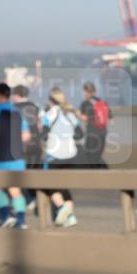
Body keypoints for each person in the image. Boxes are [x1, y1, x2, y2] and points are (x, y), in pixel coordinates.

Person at [0, 83, 31, 228]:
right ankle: (21, 220)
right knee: (15, 189)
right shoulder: (18, 112)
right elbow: (26, 136)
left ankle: (6, 215)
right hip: (17, 157)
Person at [42, 88, 82, 227]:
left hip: (54, 155)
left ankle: (64, 210)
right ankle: (70, 217)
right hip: (70, 155)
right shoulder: (70, 113)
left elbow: (44, 134)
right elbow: (80, 134)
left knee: (50, 186)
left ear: (51, 100)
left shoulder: (50, 113)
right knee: (64, 186)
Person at [12, 85, 43, 210]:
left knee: (20, 174)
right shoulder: (35, 106)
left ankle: (26, 199)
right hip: (36, 145)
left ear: (16, 95)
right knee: (34, 172)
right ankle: (35, 198)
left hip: (21, 146)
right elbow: (39, 125)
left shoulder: (13, 108)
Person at [77, 82, 111, 168]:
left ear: (85, 92)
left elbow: (84, 118)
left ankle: (92, 174)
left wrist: (78, 113)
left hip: (91, 134)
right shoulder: (103, 102)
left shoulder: (86, 103)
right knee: (98, 156)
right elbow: (110, 120)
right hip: (103, 133)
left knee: (90, 157)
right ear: (95, 92)